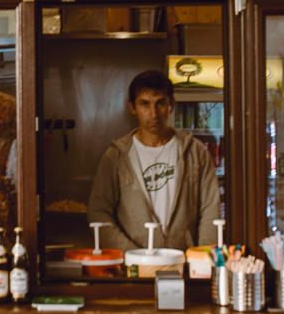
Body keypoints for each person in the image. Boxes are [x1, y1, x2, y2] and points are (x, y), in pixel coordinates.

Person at [87, 69, 221, 252]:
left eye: (160, 103)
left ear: (171, 104)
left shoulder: (194, 152)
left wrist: (203, 260)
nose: (153, 114)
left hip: (184, 264)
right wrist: (131, 255)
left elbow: (210, 210)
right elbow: (98, 211)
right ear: (132, 107)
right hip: (132, 268)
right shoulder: (116, 156)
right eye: (144, 104)